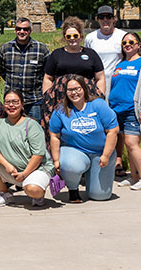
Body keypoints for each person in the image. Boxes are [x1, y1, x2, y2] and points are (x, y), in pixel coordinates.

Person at [49, 75, 119, 203]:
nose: (74, 92)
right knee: (71, 165)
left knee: (100, 196)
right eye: (70, 90)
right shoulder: (60, 110)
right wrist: (56, 160)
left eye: (77, 88)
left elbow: (113, 131)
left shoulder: (98, 104)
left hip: (101, 153)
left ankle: (92, 179)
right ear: (65, 92)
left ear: (84, 89)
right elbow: (54, 136)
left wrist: (106, 155)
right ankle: (73, 190)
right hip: (75, 151)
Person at [0, 89, 54, 207]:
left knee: (32, 190)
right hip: (12, 170)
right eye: (8, 102)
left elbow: (38, 155)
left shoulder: (31, 125)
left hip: (36, 169)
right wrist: (7, 165)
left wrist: (24, 174)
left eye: (15, 102)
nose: (11, 105)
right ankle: (5, 194)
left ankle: (37, 194)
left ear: (22, 104)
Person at [107, 32, 141, 191]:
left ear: (138, 45)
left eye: (131, 42)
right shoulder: (120, 63)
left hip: (133, 110)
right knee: (127, 145)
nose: (127, 44)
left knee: (132, 143)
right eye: (124, 43)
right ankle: (134, 177)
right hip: (117, 110)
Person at [42, 16, 105, 129]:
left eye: (75, 35)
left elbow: (100, 77)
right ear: (64, 38)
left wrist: (99, 97)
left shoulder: (91, 54)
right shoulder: (56, 54)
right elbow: (48, 78)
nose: (72, 39)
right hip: (60, 99)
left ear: (81, 36)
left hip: (86, 98)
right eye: (68, 36)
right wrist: (47, 96)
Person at [0, 17, 49, 120]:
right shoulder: (6, 48)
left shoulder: (41, 49)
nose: (22, 32)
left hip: (34, 100)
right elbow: (1, 70)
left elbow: (47, 73)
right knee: (12, 132)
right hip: (12, 102)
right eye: (19, 29)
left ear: (30, 31)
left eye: (25, 29)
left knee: (35, 131)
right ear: (15, 30)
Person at [84, 6, 127, 81]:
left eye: (108, 17)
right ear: (97, 19)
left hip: (118, 81)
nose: (105, 20)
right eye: (101, 17)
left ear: (114, 19)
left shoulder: (123, 36)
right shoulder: (90, 38)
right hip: (97, 81)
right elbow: (87, 61)